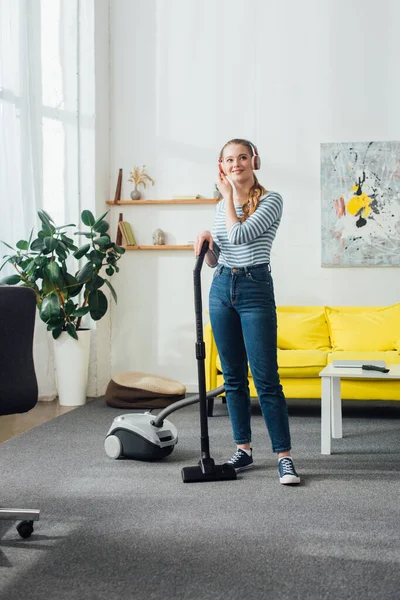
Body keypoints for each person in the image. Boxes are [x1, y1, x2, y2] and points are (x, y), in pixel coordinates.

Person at [194, 138, 300, 485]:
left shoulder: (271, 201)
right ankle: (244, 449)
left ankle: (284, 457)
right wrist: (205, 244)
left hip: (255, 289)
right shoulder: (220, 206)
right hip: (222, 287)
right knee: (233, 378)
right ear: (221, 166)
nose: (236, 164)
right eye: (229, 159)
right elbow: (218, 257)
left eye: (242, 157)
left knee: (266, 378)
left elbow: (239, 236)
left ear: (254, 160)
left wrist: (227, 198)